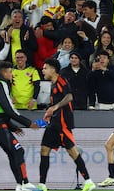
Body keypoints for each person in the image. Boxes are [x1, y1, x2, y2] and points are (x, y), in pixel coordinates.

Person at [37, 58, 96, 191]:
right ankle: (42, 185)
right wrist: (50, 112)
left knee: (72, 152)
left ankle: (88, 181)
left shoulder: (62, 80)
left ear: (53, 69)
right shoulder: (53, 84)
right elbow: (56, 104)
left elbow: (69, 96)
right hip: (54, 123)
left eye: (45, 68)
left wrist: (55, 107)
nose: (43, 70)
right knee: (44, 149)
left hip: (63, 123)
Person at [0, 61, 39, 191]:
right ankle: (25, 183)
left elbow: (0, 111)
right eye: (10, 72)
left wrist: (13, 127)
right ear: (3, 72)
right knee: (18, 150)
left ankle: (20, 185)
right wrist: (28, 122)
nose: (12, 74)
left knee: (12, 153)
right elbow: (9, 110)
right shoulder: (1, 84)